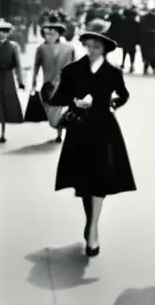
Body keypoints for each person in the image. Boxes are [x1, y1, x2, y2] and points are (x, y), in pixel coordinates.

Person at [49, 19, 136, 257]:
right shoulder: (72, 70)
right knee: (84, 180)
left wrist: (110, 104)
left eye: (97, 47)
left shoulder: (113, 72)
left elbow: (124, 95)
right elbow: (58, 98)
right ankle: (91, 221)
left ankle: (93, 227)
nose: (92, 50)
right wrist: (72, 101)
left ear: (105, 50)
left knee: (101, 177)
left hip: (104, 128)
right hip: (79, 128)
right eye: (89, 45)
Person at [29, 19, 76, 143]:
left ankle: (60, 132)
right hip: (48, 83)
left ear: (59, 34)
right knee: (50, 107)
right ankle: (57, 126)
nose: (50, 36)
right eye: (47, 34)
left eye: (53, 33)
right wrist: (33, 81)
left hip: (66, 82)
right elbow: (36, 65)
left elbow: (75, 65)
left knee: (62, 107)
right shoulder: (41, 48)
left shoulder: (69, 48)